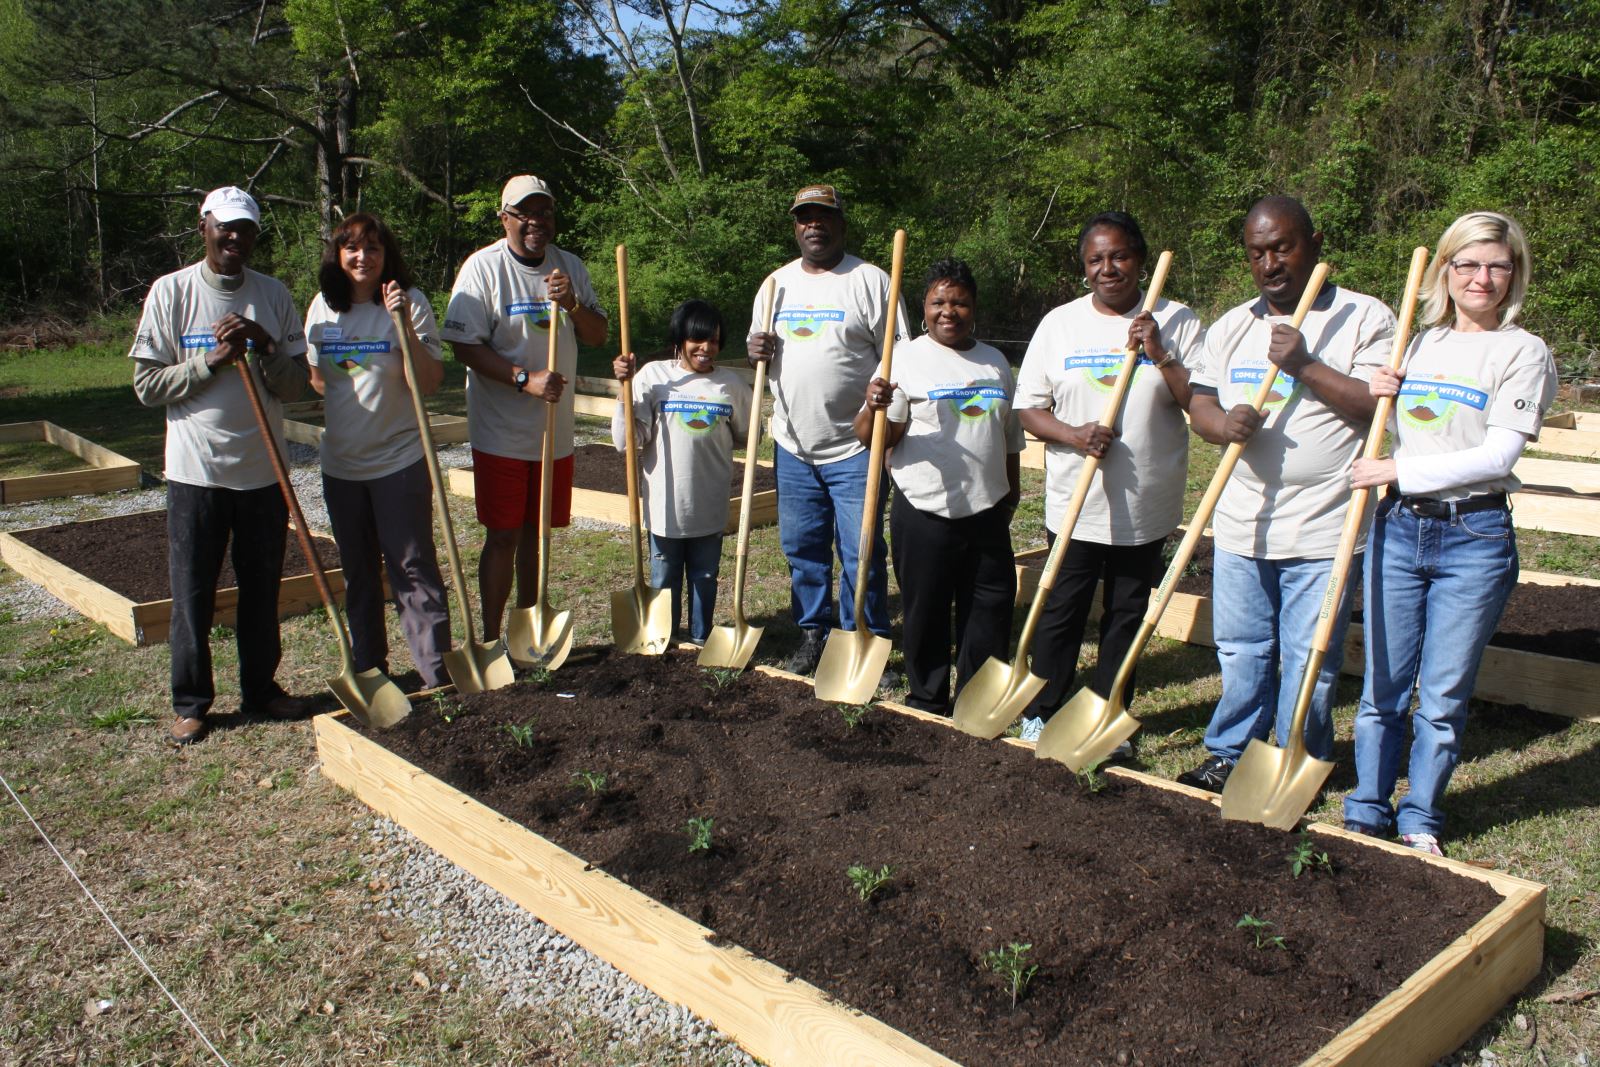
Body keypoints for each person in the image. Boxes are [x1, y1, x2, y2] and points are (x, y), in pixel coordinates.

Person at [1342, 212, 1557, 855]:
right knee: (1381, 685)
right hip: (1400, 528)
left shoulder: (1523, 351)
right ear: (1446, 270)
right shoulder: (1417, 342)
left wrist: (1397, 467)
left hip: (1474, 535)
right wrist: (1376, 389)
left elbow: (1498, 458)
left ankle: (1421, 819)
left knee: (1440, 695)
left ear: (1512, 274)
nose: (1481, 277)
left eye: (1496, 265)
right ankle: (1366, 807)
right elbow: (1393, 419)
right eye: (1467, 263)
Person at [1177, 196, 1397, 792]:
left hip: (1327, 525)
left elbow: (1375, 408)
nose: (1270, 262)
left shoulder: (1364, 317)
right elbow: (1200, 402)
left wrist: (1303, 364)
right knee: (1242, 650)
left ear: (1315, 242)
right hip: (1244, 518)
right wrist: (1221, 425)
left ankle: (1300, 750)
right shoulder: (1231, 326)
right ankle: (1231, 750)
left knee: (1311, 659)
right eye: (1257, 252)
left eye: (1282, 247)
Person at [1011, 212, 1203, 747]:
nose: (1108, 268)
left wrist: (1161, 353)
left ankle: (1108, 710)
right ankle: (1043, 708)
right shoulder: (1060, 324)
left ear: (1140, 259)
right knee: (1061, 610)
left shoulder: (1178, 320)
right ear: (1084, 267)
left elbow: (1199, 403)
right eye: (1095, 259)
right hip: (1076, 500)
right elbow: (1028, 408)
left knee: (1125, 612)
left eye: (1119, 256)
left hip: (1146, 503)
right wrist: (1074, 435)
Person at [130, 186, 309, 745]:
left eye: (246, 229)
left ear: (256, 234)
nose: (235, 237)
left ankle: (261, 689)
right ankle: (192, 702)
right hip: (196, 473)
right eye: (225, 227)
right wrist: (208, 363)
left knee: (262, 588)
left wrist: (264, 347)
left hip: (262, 470)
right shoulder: (171, 292)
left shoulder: (273, 296)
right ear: (204, 226)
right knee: (192, 593)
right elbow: (146, 385)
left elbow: (298, 385)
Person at [747, 183, 908, 677]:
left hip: (855, 444)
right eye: (804, 217)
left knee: (861, 549)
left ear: (841, 224)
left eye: (823, 216)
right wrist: (756, 351)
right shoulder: (776, 285)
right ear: (795, 226)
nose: (813, 225)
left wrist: (889, 437)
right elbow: (762, 351)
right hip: (794, 444)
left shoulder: (872, 281)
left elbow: (902, 360)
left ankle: (863, 632)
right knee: (802, 547)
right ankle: (813, 631)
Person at [440, 176, 608, 648]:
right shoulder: (483, 269)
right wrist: (523, 378)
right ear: (506, 218)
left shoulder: (569, 266)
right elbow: (462, 345)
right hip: (501, 432)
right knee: (504, 535)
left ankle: (527, 630)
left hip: (553, 433)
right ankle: (492, 639)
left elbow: (597, 335)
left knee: (538, 535)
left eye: (545, 213)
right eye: (525, 213)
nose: (537, 222)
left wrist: (572, 303)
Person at [856, 259, 1022, 714]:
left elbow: (1009, 435)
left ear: (974, 308)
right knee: (925, 611)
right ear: (924, 308)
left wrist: (1012, 491)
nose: (949, 311)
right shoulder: (901, 361)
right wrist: (873, 407)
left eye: (960, 302)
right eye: (938, 302)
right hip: (924, 509)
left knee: (989, 608)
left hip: (987, 510)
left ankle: (977, 699)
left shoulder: (994, 362)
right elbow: (875, 439)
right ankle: (927, 698)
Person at [304, 213, 451, 690]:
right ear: (338, 255)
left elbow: (427, 382)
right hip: (342, 465)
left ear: (387, 255)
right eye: (352, 248)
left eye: (373, 248)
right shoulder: (322, 309)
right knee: (359, 570)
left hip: (399, 461)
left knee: (412, 567)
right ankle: (370, 670)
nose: (362, 257)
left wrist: (402, 322)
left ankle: (436, 673)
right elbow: (319, 380)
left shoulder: (412, 303)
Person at [612, 301, 752, 645]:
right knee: (664, 575)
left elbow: (748, 435)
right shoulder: (653, 377)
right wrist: (623, 390)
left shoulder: (730, 385)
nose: (706, 349)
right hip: (665, 505)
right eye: (698, 340)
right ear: (680, 338)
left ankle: (702, 639)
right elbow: (626, 442)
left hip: (710, 500)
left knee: (705, 575)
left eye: (715, 341)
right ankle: (665, 638)